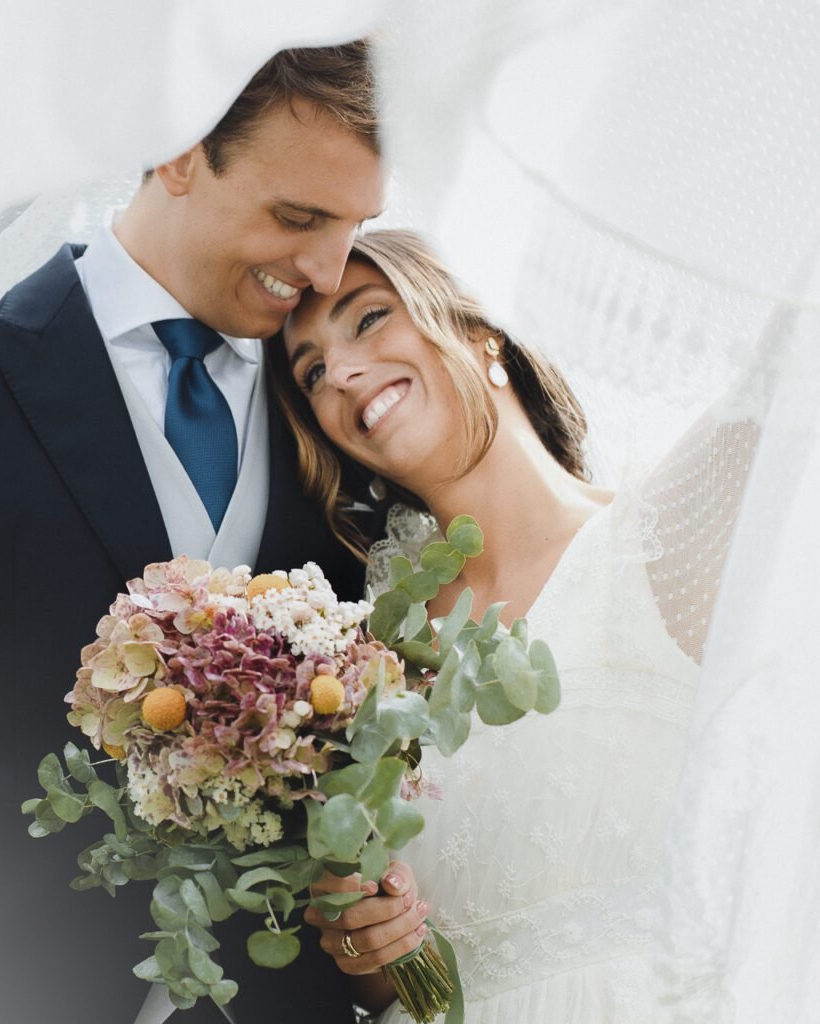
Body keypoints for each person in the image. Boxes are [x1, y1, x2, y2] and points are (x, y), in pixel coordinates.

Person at [0, 45, 387, 1024]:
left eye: (353, 227)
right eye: (298, 218)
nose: (327, 269)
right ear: (178, 150)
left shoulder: (339, 402)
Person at [272, 229, 720, 1021]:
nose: (338, 373)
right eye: (311, 372)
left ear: (482, 328)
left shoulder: (672, 535)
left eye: (369, 318)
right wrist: (368, 947)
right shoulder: (363, 670)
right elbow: (411, 991)